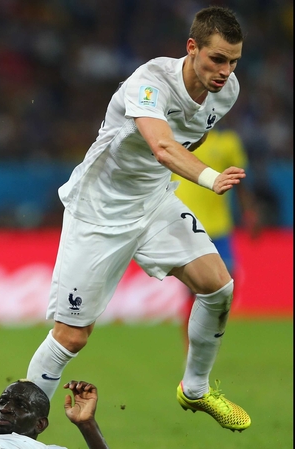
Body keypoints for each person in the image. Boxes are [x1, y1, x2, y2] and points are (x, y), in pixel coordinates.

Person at [25, 5, 252, 432]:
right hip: (99, 212)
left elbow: (192, 135)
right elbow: (164, 146)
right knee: (71, 337)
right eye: (217, 59)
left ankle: (196, 389)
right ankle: (15, 429)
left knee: (219, 287)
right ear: (192, 48)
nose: (225, 71)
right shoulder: (149, 82)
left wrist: (187, 173)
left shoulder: (228, 90)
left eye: (233, 61)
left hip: (153, 202)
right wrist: (209, 177)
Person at [171, 126, 260, 343]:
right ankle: (191, 343)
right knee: (197, 289)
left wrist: (248, 212)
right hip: (187, 225)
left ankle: (204, 335)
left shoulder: (228, 142)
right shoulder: (175, 139)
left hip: (219, 227)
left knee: (228, 284)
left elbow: (240, 184)